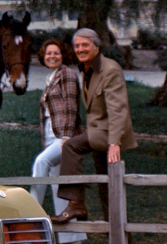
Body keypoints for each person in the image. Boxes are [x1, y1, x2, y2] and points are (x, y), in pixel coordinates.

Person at [52, 28, 137, 223]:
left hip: (109, 134)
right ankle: (119, 241)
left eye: (85, 45)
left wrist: (115, 142)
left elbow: (118, 110)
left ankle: (75, 205)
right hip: (98, 133)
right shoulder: (87, 68)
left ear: (96, 47)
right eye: (77, 46)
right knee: (107, 188)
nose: (80, 49)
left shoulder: (110, 69)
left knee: (72, 146)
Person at [29, 38, 86, 244]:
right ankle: (72, 239)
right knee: (58, 184)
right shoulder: (52, 77)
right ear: (43, 57)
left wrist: (66, 138)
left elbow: (71, 107)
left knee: (40, 163)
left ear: (63, 55)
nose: (52, 56)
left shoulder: (67, 75)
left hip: (63, 135)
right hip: (50, 132)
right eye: (48, 53)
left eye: (56, 53)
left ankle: (30, 213)